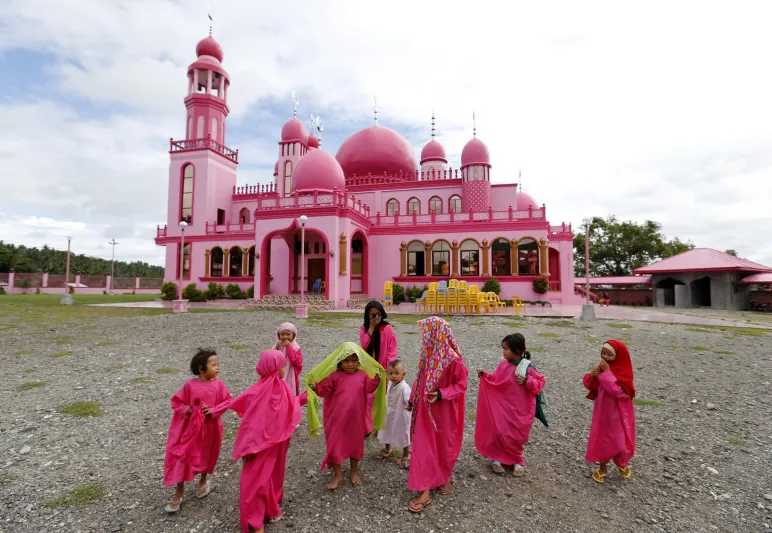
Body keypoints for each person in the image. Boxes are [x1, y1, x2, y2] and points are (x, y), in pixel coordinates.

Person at [230, 350, 306, 533]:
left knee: (269, 477)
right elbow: (253, 421)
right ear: (274, 368)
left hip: (270, 443)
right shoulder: (268, 390)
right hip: (263, 446)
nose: (283, 370)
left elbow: (290, 404)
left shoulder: (271, 387)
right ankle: (256, 523)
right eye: (281, 366)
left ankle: (269, 509)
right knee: (258, 480)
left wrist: (305, 396)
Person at [407, 317, 468, 513]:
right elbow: (420, 378)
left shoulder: (453, 360)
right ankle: (424, 490)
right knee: (424, 447)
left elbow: (462, 385)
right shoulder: (428, 355)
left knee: (444, 445)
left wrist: (442, 394)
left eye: (426, 333)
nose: (423, 337)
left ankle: (443, 476)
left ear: (436, 334)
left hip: (446, 413)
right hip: (425, 412)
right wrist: (412, 399)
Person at [305, 342, 386, 490]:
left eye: (354, 361)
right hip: (336, 419)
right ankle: (338, 474)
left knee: (355, 444)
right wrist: (317, 387)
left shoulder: (362, 376)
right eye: (346, 361)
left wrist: (378, 377)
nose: (350, 364)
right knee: (335, 445)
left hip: (355, 419)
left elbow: (370, 388)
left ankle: (354, 471)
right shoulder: (334, 376)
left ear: (359, 362)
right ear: (340, 362)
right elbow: (324, 390)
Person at [164, 349, 232, 513]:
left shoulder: (219, 384)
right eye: (213, 365)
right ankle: (178, 493)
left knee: (207, 455)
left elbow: (228, 400)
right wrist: (188, 410)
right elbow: (176, 402)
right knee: (183, 458)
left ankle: (203, 481)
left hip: (210, 430)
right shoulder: (189, 386)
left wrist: (213, 410)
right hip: (190, 432)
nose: (217, 368)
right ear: (201, 369)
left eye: (218, 365)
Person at [475, 333, 546, 476]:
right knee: (499, 431)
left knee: (518, 436)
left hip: (522, 410)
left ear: (518, 351)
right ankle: (496, 457)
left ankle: (517, 459)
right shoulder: (503, 364)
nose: (503, 352)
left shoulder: (528, 368)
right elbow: (496, 380)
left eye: (506, 349)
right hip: (504, 408)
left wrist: (528, 381)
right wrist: (485, 376)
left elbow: (540, 384)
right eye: (503, 348)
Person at [583, 340, 637, 483]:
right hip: (603, 413)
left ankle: (622, 463)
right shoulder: (603, 368)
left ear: (618, 356)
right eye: (603, 353)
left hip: (619, 414)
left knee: (620, 439)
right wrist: (592, 376)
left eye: (609, 355)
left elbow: (620, 393)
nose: (605, 357)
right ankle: (602, 468)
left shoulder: (623, 372)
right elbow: (590, 385)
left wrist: (607, 373)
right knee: (602, 439)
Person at [360, 301, 398, 434]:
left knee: (381, 397)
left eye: (377, 314)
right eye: (372, 315)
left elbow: (392, 350)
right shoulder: (364, 327)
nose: (375, 317)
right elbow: (364, 345)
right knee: (368, 397)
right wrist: (371, 327)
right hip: (368, 369)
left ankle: (379, 425)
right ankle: (367, 427)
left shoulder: (387, 328)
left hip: (382, 369)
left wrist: (389, 369)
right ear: (367, 315)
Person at [377, 360, 412, 467]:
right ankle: (387, 448)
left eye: (397, 373)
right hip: (389, 411)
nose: (393, 376)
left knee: (403, 432)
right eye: (391, 373)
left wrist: (410, 406)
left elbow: (409, 400)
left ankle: (406, 454)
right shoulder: (389, 383)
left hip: (401, 414)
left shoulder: (404, 387)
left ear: (403, 374)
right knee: (386, 428)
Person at [273, 322, 303, 396]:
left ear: (294, 335)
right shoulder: (278, 345)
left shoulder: (296, 348)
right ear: (278, 335)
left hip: (290, 373)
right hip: (278, 373)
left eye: (288, 334)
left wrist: (289, 347)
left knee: (288, 392)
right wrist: (276, 347)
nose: (285, 337)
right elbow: (271, 358)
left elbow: (296, 362)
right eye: (282, 334)